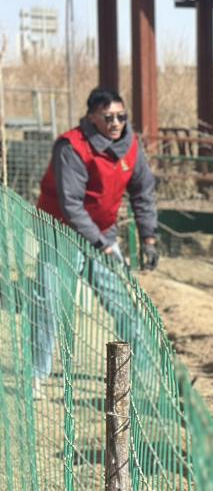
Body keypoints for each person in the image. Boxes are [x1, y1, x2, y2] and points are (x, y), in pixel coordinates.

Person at [33, 87, 159, 381]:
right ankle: (37, 376)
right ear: (92, 117)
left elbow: (143, 192)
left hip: (103, 233)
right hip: (60, 234)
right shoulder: (71, 147)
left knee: (123, 305)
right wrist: (103, 245)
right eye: (108, 117)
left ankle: (141, 375)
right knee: (48, 304)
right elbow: (72, 205)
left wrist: (149, 238)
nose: (116, 123)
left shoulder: (130, 145)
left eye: (121, 116)